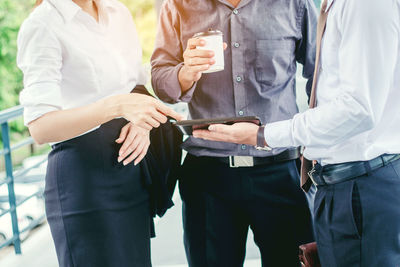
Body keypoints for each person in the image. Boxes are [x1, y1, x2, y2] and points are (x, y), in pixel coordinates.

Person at [193, 0, 400, 266]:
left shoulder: (363, 4)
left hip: (363, 185)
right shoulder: (337, 5)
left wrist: (263, 135)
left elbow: (359, 108)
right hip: (338, 183)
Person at [151, 0, 318, 266]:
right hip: (208, 179)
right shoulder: (178, 6)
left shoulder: (293, 4)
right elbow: (161, 82)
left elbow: (321, 74)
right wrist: (186, 73)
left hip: (281, 172)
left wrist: (317, 147)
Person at [17, 0, 182, 266]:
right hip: (84, 182)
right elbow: (40, 126)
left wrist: (142, 125)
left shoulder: (118, 13)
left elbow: (134, 85)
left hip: (132, 173)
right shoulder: (43, 24)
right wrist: (114, 106)